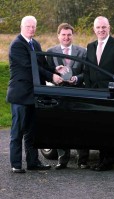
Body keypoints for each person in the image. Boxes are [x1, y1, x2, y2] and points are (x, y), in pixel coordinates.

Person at [6, 16, 65, 173]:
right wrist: (51, 77)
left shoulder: (35, 43)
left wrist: (54, 70)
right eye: (28, 26)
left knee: (32, 131)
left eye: (33, 26)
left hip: (35, 94)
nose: (31, 29)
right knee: (17, 131)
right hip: (20, 95)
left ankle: (33, 162)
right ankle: (16, 164)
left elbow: (42, 64)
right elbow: (31, 68)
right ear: (21, 26)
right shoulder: (17, 45)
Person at [84, 16, 114, 171]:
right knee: (98, 127)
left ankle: (108, 161)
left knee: (109, 126)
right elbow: (87, 70)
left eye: (103, 27)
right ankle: (100, 159)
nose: (101, 30)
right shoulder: (90, 46)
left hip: (112, 94)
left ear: (109, 27)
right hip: (95, 94)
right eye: (98, 27)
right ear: (94, 29)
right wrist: (90, 88)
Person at [46, 23, 90, 170]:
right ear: (58, 35)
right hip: (59, 95)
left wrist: (77, 78)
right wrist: (54, 75)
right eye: (63, 35)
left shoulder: (82, 52)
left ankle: (82, 160)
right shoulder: (51, 52)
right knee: (61, 126)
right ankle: (62, 160)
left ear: (72, 35)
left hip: (78, 94)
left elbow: (87, 72)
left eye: (69, 35)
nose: (66, 37)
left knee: (81, 126)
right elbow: (46, 71)